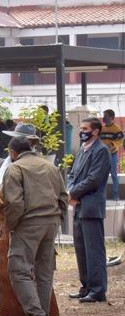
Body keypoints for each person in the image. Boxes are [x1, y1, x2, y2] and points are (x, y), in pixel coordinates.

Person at [0, 135, 68, 316]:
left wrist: (11, 226)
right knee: (44, 272)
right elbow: (63, 196)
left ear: (13, 153)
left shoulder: (15, 168)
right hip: (51, 222)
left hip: (28, 224)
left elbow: (14, 203)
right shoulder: (50, 166)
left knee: (18, 270)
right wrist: (58, 219)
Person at [67, 117, 111, 303]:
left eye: (85, 128)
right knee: (81, 249)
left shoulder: (101, 151)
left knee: (94, 251)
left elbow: (94, 179)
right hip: (79, 207)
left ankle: (98, 289)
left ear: (96, 131)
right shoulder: (83, 151)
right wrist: (70, 191)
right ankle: (86, 286)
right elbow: (72, 174)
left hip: (91, 207)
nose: (81, 131)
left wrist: (73, 193)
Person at [100, 109, 122, 200]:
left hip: (112, 154)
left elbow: (119, 140)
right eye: (103, 115)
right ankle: (102, 195)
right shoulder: (102, 128)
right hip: (103, 156)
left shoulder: (116, 129)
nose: (103, 118)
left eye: (106, 116)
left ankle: (115, 195)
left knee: (113, 174)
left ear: (112, 117)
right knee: (102, 175)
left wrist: (112, 145)